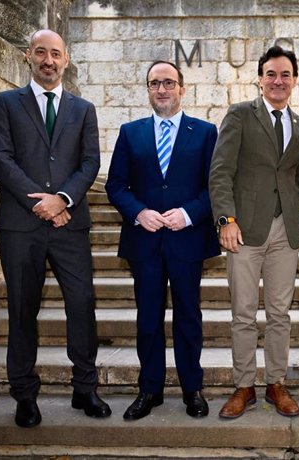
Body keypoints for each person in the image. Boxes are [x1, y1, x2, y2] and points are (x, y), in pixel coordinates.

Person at [0, 29, 109, 428]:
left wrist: (64, 200)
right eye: (41, 52)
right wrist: (41, 202)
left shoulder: (83, 109)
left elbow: (90, 162)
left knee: (82, 304)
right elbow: (0, 159)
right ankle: (24, 394)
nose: (48, 60)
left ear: (66, 59)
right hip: (21, 225)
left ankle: (85, 388)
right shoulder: (5, 103)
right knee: (23, 309)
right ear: (29, 57)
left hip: (70, 224)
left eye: (55, 53)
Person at [209, 45, 299, 419]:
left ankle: (275, 383)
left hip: (285, 229)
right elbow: (220, 171)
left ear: (295, 81)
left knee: (279, 314)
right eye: (271, 74)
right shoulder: (240, 115)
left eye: (285, 74)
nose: (278, 81)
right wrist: (226, 220)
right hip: (243, 230)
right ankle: (244, 386)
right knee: (243, 313)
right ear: (260, 79)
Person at [106, 60, 219, 420]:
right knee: (148, 319)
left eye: (169, 82)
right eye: (155, 83)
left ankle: (192, 388)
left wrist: (187, 214)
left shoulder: (204, 132)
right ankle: (149, 389)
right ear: (149, 90)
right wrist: (139, 212)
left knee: (189, 316)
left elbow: (214, 187)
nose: (163, 89)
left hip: (187, 240)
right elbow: (115, 186)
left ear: (182, 89)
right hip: (146, 240)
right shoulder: (130, 132)